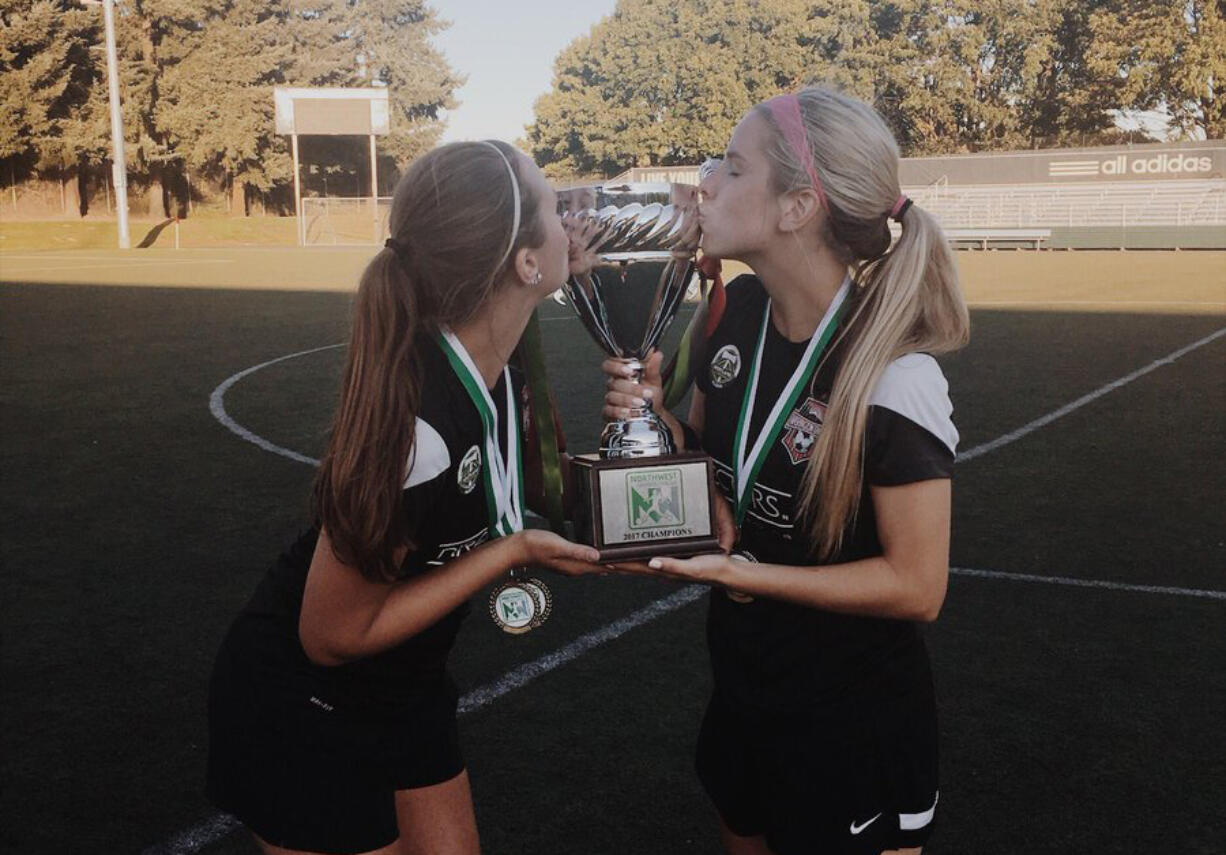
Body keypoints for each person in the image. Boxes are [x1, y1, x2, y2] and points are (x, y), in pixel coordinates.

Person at [601, 85, 969, 855]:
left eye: (732, 168)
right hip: (746, 688)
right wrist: (652, 419)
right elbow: (709, 462)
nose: (705, 183)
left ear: (797, 207)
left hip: (851, 724)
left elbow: (917, 585)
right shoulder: (733, 316)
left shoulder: (893, 374)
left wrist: (746, 572)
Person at [207, 140, 602, 855]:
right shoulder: (416, 430)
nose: (571, 219)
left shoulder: (498, 362)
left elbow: (538, 484)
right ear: (523, 262)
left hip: (407, 686)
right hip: (305, 705)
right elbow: (330, 635)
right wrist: (510, 551)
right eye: (552, 205)